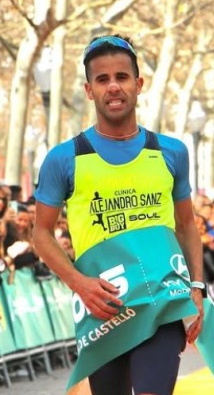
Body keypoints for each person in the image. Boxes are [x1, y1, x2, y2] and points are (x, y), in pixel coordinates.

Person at [33, 34, 204, 395]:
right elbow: (41, 235)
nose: (114, 87)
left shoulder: (171, 152)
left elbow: (187, 224)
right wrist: (79, 284)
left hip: (162, 305)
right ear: (89, 89)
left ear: (139, 84)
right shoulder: (64, 159)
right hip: (105, 310)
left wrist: (198, 287)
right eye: (103, 79)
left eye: (122, 77)